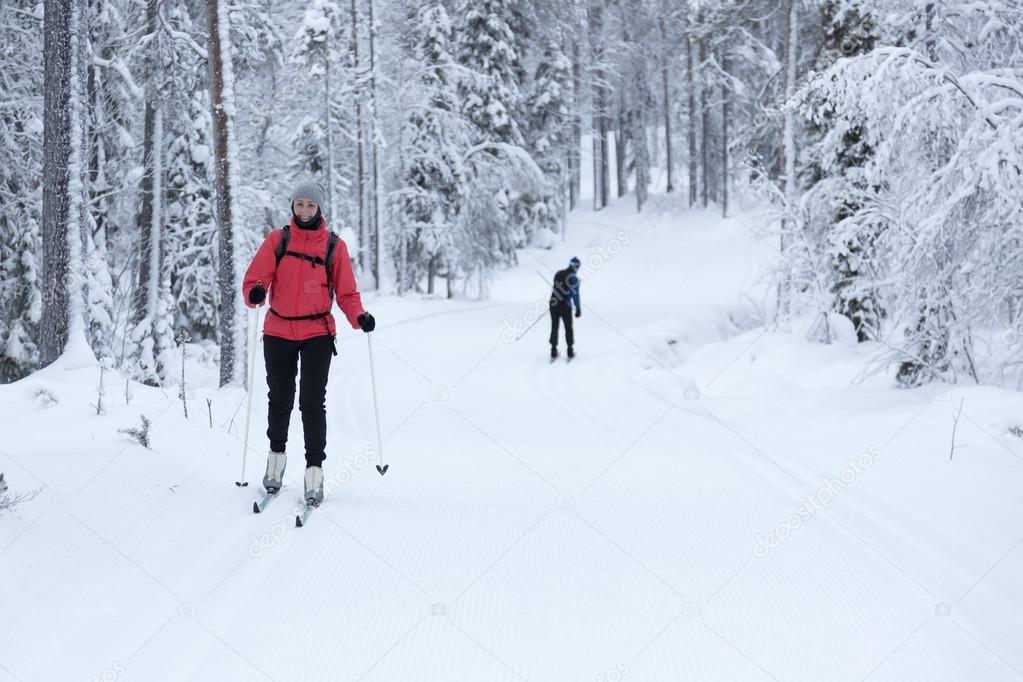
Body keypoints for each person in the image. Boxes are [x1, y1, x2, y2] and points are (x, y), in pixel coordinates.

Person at [241, 181, 375, 507]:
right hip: (278, 331)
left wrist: (359, 317)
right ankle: (275, 463)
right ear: (292, 206)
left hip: (317, 333)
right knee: (280, 400)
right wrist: (256, 291)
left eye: (310, 205)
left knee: (312, 402)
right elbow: (255, 278)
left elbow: (346, 293)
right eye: (299, 204)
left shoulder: (333, 247)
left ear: (319, 209)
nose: (304, 210)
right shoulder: (278, 240)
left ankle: (314, 471)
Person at [549, 257, 581, 359]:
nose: (578, 269)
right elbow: (575, 295)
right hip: (565, 305)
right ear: (576, 266)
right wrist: (578, 308)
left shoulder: (558, 273)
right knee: (568, 328)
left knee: (554, 326)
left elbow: (555, 286)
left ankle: (553, 351)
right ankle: (570, 351)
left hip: (553, 303)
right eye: (578, 267)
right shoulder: (574, 278)